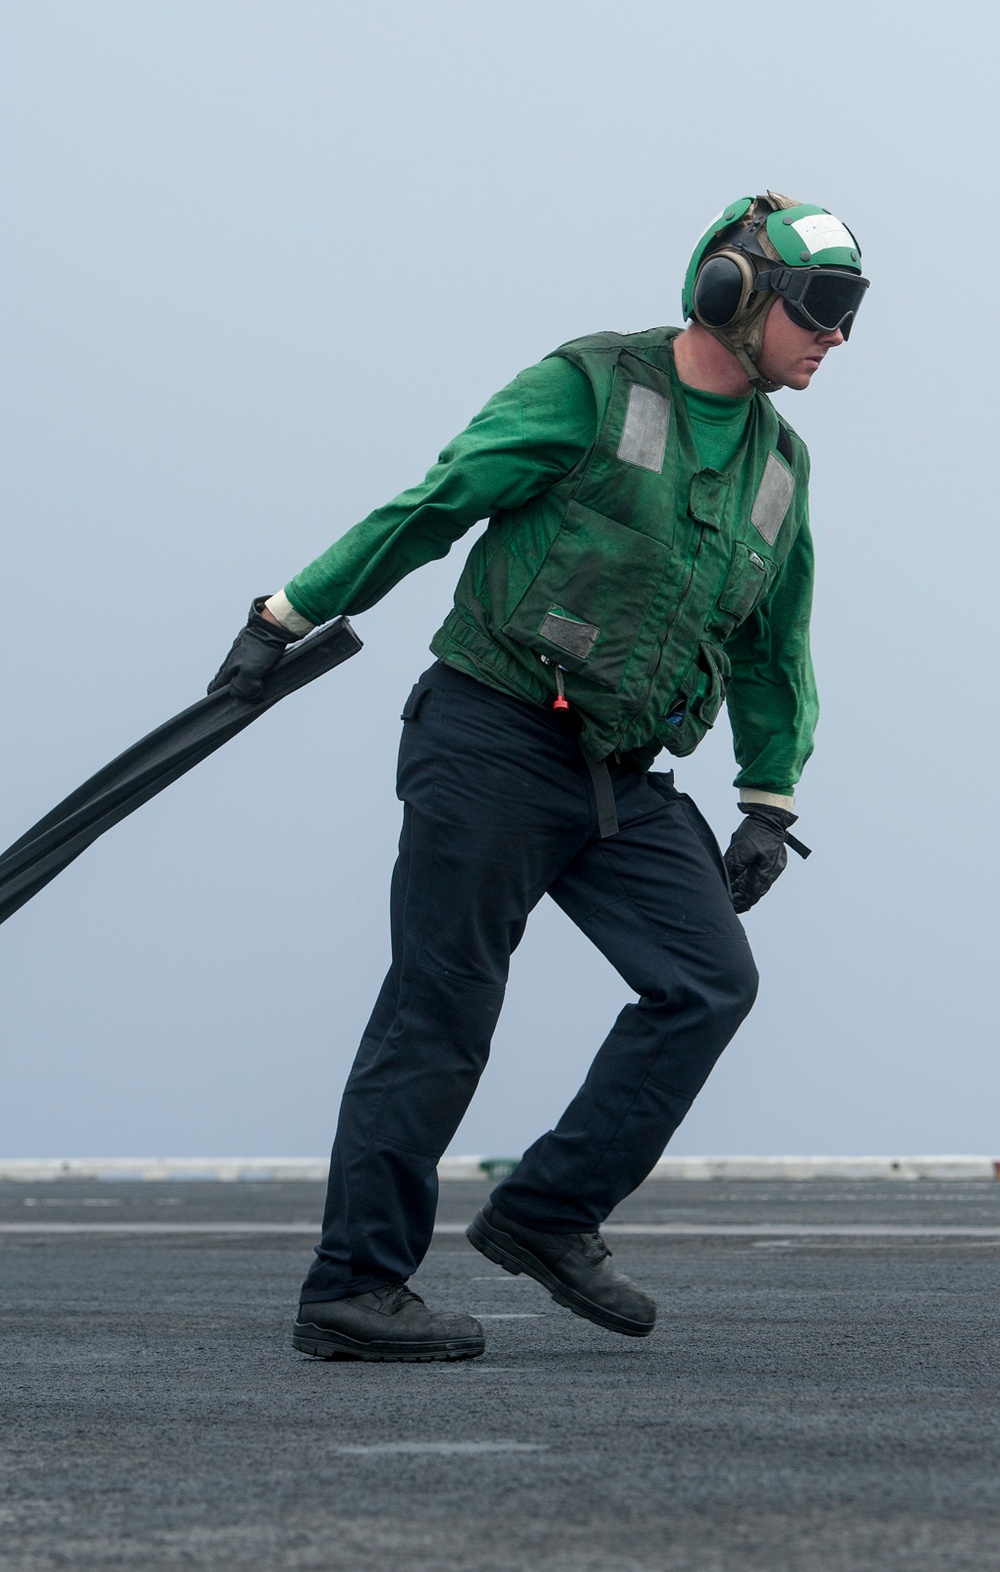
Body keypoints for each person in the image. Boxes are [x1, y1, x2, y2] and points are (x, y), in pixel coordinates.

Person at [209, 190, 869, 1362]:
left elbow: (776, 642)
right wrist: (288, 612)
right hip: (491, 736)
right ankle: (352, 1290)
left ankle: (549, 1213)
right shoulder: (590, 386)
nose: (834, 337)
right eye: (821, 311)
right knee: (443, 1010)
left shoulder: (781, 466)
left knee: (708, 982)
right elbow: (437, 501)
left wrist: (768, 801)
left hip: (619, 774)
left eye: (849, 316)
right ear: (734, 291)